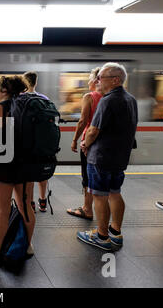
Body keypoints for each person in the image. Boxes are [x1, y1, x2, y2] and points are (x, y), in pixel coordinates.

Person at [76, 62, 137, 250]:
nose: (97, 81)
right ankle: (115, 233)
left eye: (100, 78)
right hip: (119, 156)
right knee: (115, 193)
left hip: (101, 156)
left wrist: (85, 143)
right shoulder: (130, 99)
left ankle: (102, 236)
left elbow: (93, 130)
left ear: (115, 80)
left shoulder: (107, 100)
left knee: (100, 196)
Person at [0, 76, 35, 267]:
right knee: (26, 206)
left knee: (2, 211)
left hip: (3, 166)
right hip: (27, 166)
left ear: (4, 91)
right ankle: (27, 245)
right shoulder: (31, 106)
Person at [67, 67, 102, 220]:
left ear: (95, 80)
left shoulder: (90, 97)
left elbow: (82, 121)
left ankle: (87, 209)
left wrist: (75, 140)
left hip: (89, 143)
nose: (88, 81)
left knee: (87, 177)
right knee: (102, 178)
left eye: (89, 78)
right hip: (106, 144)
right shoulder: (109, 97)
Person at [22, 71, 49, 213]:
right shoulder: (44, 99)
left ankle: (31, 203)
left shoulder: (20, 99)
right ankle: (43, 201)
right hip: (43, 143)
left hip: (26, 144)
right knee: (42, 173)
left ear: (24, 83)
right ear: (36, 82)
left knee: (28, 175)